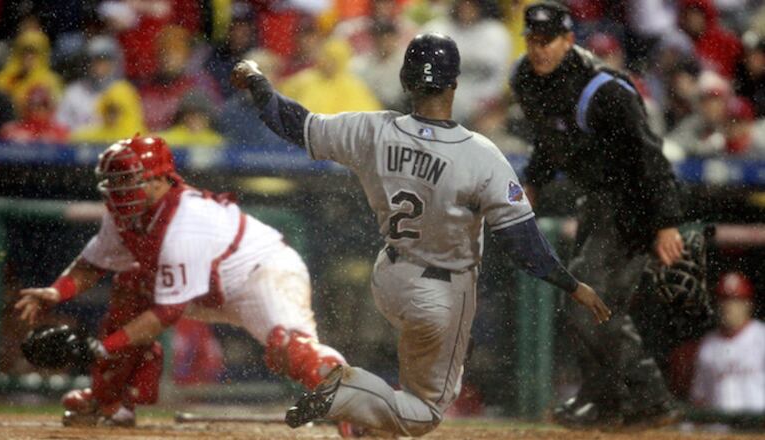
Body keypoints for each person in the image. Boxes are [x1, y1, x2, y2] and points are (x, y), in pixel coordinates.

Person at [231, 32, 611, 437]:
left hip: (391, 276)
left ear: (406, 80)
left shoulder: (371, 129)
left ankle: (365, 427)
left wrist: (257, 80)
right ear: (455, 83)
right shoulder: (480, 154)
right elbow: (523, 245)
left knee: (409, 393)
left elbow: (292, 123)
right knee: (423, 412)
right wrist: (572, 285)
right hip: (441, 293)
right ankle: (342, 394)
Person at [15, 135, 348, 429]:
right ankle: (110, 401)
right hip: (206, 291)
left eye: (128, 181)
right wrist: (56, 291)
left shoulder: (186, 222)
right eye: (114, 182)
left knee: (291, 351)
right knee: (132, 283)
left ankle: (357, 406)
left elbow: (167, 314)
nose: (118, 191)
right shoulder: (126, 215)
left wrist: (104, 347)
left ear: (160, 180)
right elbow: (91, 264)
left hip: (259, 277)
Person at [509, 1, 685, 429]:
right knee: (592, 307)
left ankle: (648, 396)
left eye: (547, 41)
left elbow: (650, 158)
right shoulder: (526, 79)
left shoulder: (605, 89)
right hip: (596, 200)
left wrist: (665, 222)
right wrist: (533, 181)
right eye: (532, 40)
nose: (539, 49)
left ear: (569, 41)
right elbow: (547, 138)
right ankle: (607, 401)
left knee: (591, 303)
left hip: (634, 202)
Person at [691, 272, 765, 413]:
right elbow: (699, 397)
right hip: (720, 431)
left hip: (757, 428)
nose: (728, 307)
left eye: (735, 300)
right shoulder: (708, 345)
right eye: (724, 300)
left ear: (748, 304)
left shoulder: (762, 337)